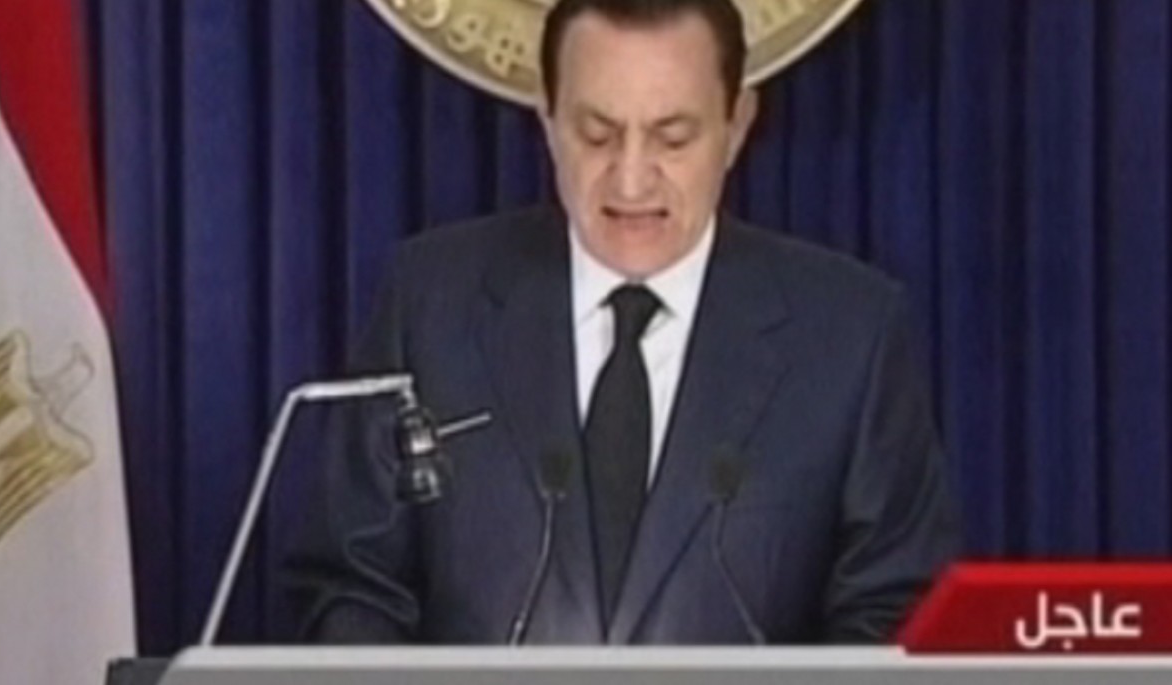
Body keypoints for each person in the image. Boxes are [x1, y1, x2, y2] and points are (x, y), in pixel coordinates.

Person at [286, 0, 957, 644]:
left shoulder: (849, 334)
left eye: (673, 138)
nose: (630, 180)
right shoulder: (431, 302)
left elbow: (893, 612)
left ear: (736, 126)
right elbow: (352, 586)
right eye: (597, 135)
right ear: (548, 122)